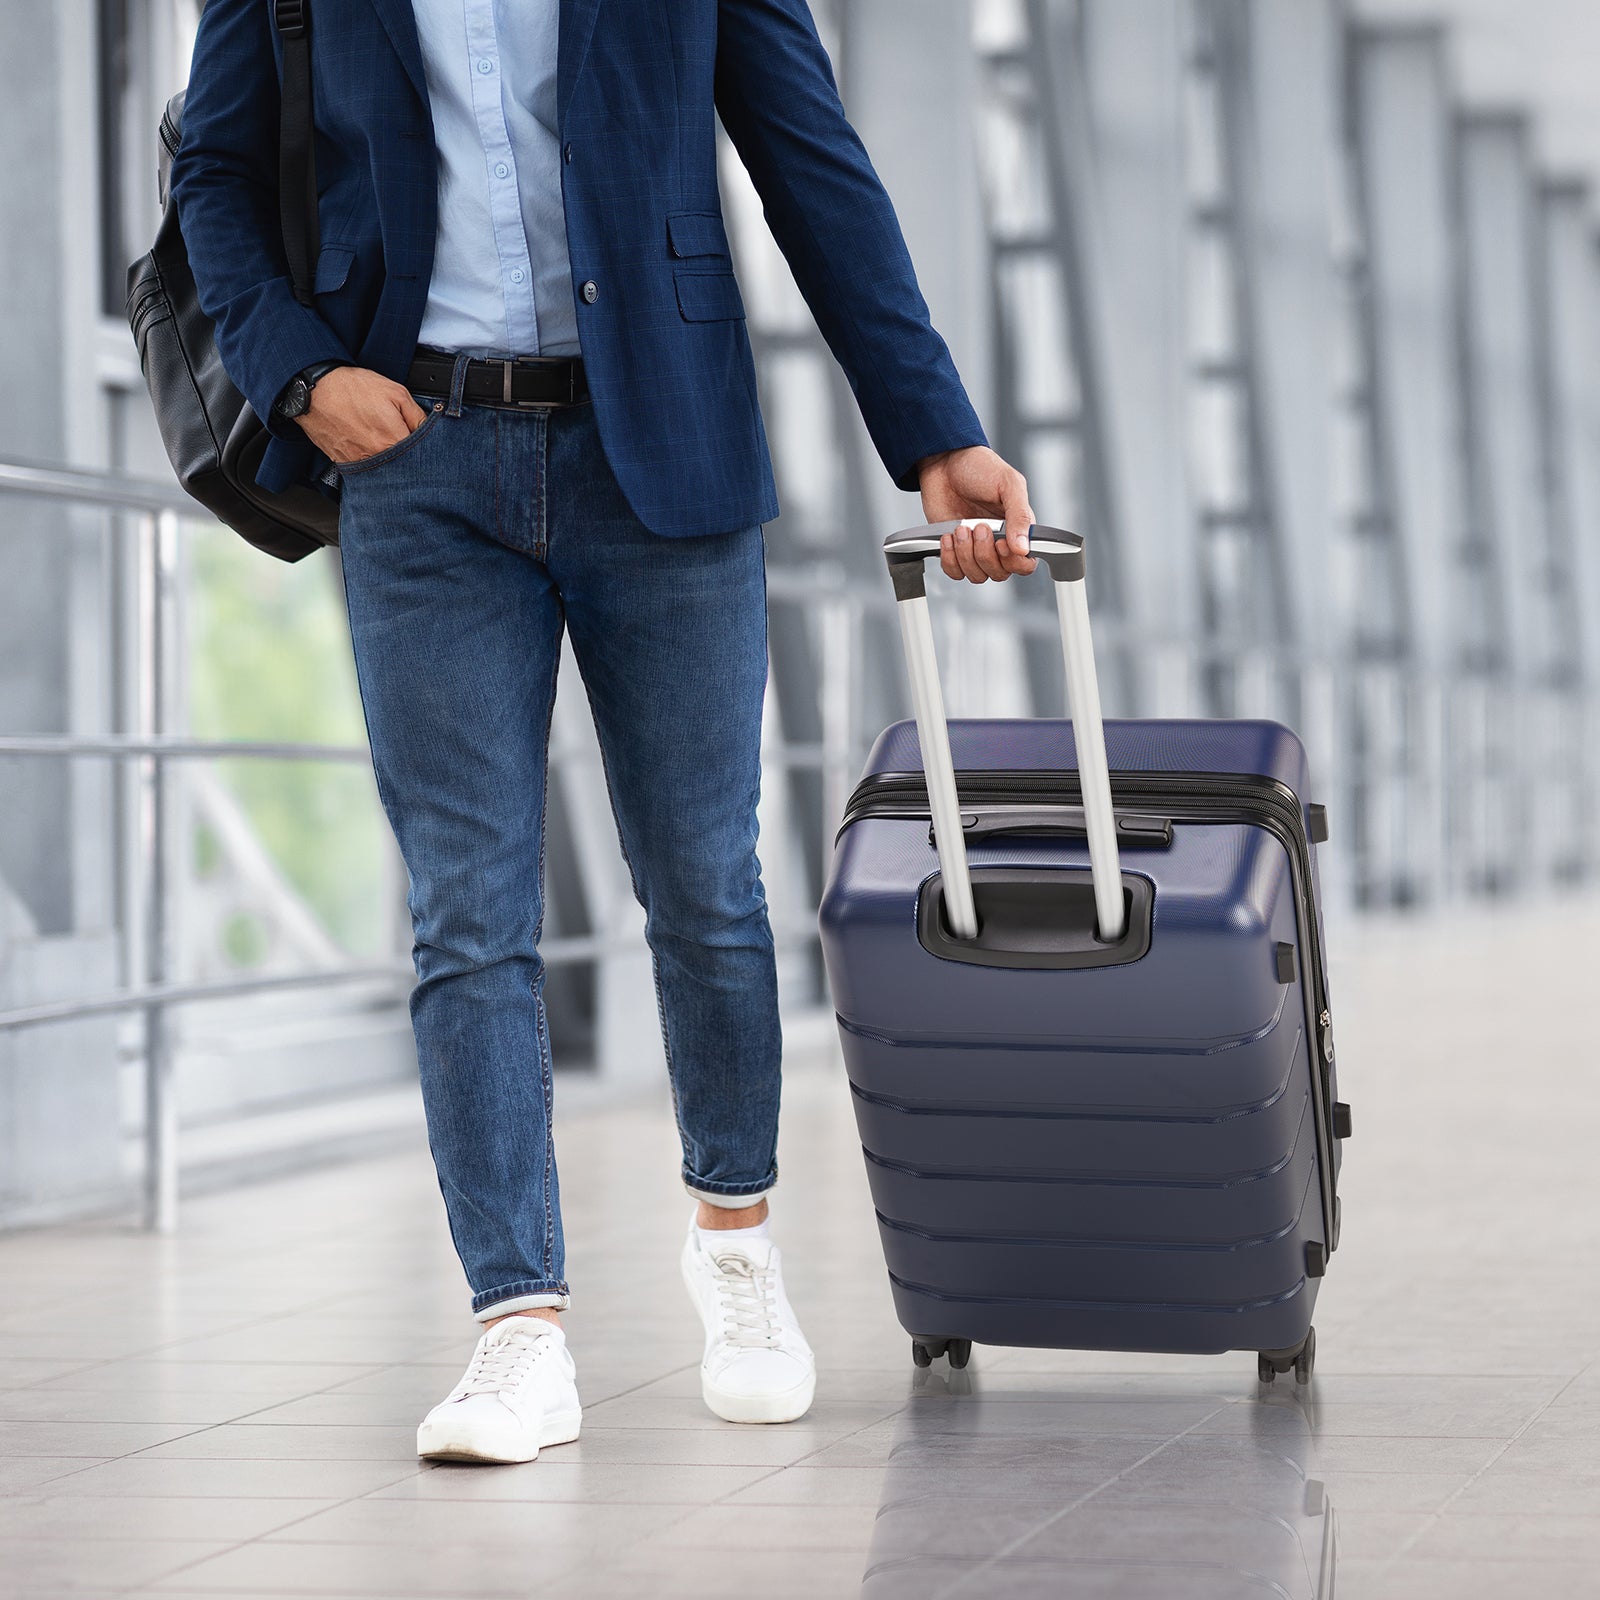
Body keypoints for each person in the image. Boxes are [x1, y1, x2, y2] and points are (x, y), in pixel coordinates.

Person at [172, 0, 1035, 1465]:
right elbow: (213, 172)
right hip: (417, 462)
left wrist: (934, 429)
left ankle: (738, 1247)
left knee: (704, 884)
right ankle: (518, 1326)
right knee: (468, 909)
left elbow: (810, 162)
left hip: (664, 451)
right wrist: (299, 374)